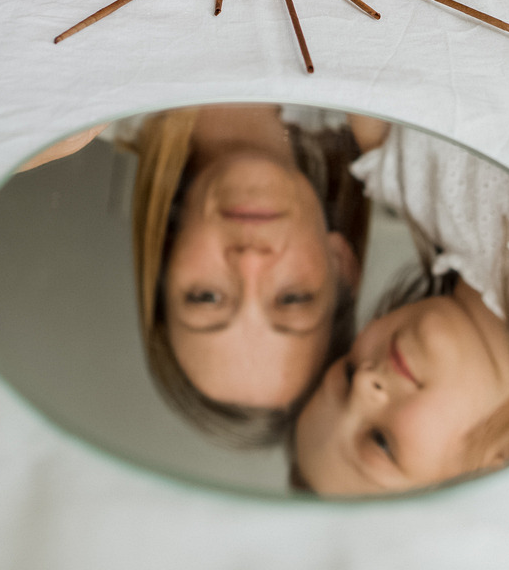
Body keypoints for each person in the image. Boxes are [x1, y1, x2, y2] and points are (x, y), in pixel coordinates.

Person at [291, 128, 509, 494]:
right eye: (381, 442)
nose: (364, 384)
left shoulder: (410, 169)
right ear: (491, 468)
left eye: (345, 374)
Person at [120, 104, 379, 444]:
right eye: (291, 299)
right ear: (340, 263)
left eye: (208, 297)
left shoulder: (80, 107)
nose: (249, 262)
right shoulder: (389, 112)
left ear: (167, 259)